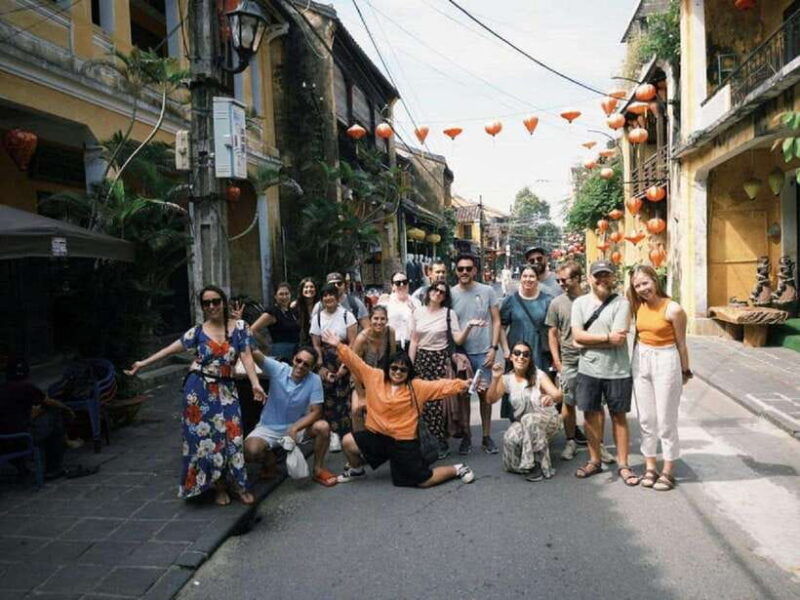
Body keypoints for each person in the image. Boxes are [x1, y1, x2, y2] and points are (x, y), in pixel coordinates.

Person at [126, 285, 265, 505]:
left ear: (224, 302)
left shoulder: (240, 328)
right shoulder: (198, 332)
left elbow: (246, 356)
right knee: (207, 440)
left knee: (233, 436)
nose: (212, 306)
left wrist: (255, 383)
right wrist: (143, 363)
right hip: (198, 390)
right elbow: (171, 349)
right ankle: (219, 487)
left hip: (227, 389)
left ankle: (238, 484)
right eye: (207, 303)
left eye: (216, 301)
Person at [321, 330, 476, 488]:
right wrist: (339, 346)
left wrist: (463, 384)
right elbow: (356, 363)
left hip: (404, 441)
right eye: (394, 368)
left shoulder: (416, 387)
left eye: (403, 370)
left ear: (408, 372)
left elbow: (441, 386)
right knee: (348, 441)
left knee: (423, 481)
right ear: (388, 368)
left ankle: (458, 469)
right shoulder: (375, 377)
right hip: (379, 436)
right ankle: (356, 469)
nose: (397, 372)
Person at [571, 261, 638, 486]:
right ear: (589, 278)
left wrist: (588, 341)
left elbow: (618, 339)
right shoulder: (579, 303)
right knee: (590, 416)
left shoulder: (622, 304)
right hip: (588, 369)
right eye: (597, 275)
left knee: (619, 416)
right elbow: (576, 336)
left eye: (606, 275)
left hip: (617, 370)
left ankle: (623, 464)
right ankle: (594, 460)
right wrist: (606, 339)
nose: (602, 280)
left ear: (613, 278)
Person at [628, 265, 692, 492]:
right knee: (646, 419)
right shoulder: (637, 305)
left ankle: (668, 470)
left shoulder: (673, 309)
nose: (643, 288)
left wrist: (685, 371)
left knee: (666, 420)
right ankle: (650, 466)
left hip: (666, 359)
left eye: (645, 283)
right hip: (641, 358)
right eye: (637, 285)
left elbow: (682, 344)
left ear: (655, 281)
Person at [409, 282, 484, 459]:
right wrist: (410, 365)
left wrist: (469, 326)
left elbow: (457, 339)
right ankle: (427, 442)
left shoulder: (449, 314)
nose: (438, 293)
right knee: (422, 403)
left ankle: (440, 442)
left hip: (440, 360)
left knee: (438, 404)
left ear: (446, 297)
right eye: (435, 289)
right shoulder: (417, 312)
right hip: (421, 360)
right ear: (429, 292)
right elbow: (413, 340)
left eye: (443, 292)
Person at [244, 346, 337, 487]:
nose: (300, 366)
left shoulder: (314, 380)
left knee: (323, 427)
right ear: (293, 359)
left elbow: (316, 411)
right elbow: (254, 351)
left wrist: (295, 428)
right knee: (250, 451)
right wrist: (243, 329)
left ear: (311, 368)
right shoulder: (279, 369)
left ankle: (318, 469)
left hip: (297, 427)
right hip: (269, 427)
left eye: (306, 364)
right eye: (298, 360)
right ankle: (270, 461)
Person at [486, 341, 563, 481]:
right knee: (510, 437)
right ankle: (524, 461)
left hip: (548, 420)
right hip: (525, 423)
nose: (521, 357)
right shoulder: (506, 379)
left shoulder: (538, 375)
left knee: (529, 419)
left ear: (530, 359)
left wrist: (548, 397)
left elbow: (558, 396)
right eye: (517, 353)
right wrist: (495, 379)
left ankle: (534, 465)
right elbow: (490, 400)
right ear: (511, 357)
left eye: (526, 354)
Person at [450, 253, 502, 455]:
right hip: (461, 353)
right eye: (461, 269)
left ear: (475, 270)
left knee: (484, 395)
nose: (464, 272)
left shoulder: (487, 290)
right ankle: (467, 437)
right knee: (463, 396)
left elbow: (496, 320)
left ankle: (487, 436)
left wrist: (494, 347)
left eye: (468, 268)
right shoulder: (451, 294)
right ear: (456, 271)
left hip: (483, 351)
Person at [545, 261, 594, 460]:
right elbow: (552, 333)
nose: (561, 284)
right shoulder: (557, 303)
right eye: (558, 280)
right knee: (568, 401)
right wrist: (557, 360)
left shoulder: (592, 300)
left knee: (593, 403)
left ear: (577, 278)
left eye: (564, 280)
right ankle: (570, 441)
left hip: (591, 359)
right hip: (568, 360)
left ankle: (595, 443)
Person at [0, 356, 73, 480]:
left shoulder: (3, 388)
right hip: (20, 437)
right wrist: (68, 410)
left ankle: (22, 467)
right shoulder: (27, 388)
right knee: (54, 417)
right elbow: (49, 403)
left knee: (15, 425)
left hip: (3, 438)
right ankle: (53, 468)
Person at [310, 283, 358, 452]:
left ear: (337, 298)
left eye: (331, 295)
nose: (328, 298)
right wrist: (321, 366)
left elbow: (353, 343)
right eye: (325, 296)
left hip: (345, 360)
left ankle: (349, 434)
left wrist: (345, 365)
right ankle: (334, 434)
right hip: (326, 362)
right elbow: (315, 344)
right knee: (329, 397)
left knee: (347, 398)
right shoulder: (317, 318)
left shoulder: (347, 315)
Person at [500, 264, 553, 370]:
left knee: (539, 383)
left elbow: (553, 330)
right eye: (525, 276)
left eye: (532, 276)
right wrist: (506, 350)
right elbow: (501, 327)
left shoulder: (547, 301)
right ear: (520, 278)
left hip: (539, 351)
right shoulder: (511, 300)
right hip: (516, 352)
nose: (528, 279)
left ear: (538, 279)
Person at [351, 305, 396, 431]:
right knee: (357, 409)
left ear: (387, 320)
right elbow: (354, 369)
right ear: (370, 320)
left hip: (382, 379)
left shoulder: (390, 333)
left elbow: (393, 361)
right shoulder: (362, 339)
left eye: (383, 319)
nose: (379, 322)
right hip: (361, 380)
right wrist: (361, 396)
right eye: (376, 318)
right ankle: (360, 442)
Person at [247, 282, 300, 362]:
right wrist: (265, 344)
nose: (284, 297)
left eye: (287, 294)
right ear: (275, 296)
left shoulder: (291, 311)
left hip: (295, 351)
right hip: (280, 352)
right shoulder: (272, 312)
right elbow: (252, 330)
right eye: (281, 294)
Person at [378, 271, 421, 352]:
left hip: (412, 346)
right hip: (391, 345)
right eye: (398, 283)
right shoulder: (385, 303)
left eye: (404, 282)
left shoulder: (416, 303)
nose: (402, 285)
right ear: (393, 286)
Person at [295, 277, 318, 345]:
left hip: (318, 342)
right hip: (301, 343)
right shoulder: (295, 306)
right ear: (301, 290)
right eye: (306, 287)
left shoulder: (321, 306)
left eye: (311, 287)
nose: (309, 289)